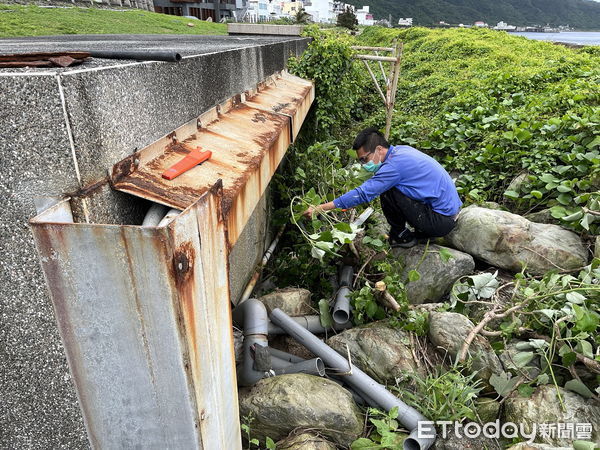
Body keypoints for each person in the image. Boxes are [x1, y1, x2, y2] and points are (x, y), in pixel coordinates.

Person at [303, 127, 462, 248]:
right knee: (392, 187)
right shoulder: (401, 151)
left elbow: (363, 194)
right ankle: (414, 233)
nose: (364, 164)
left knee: (389, 190)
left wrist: (321, 208)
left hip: (441, 222)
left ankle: (402, 235)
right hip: (446, 214)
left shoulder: (394, 166)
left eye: (365, 159)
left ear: (379, 149)